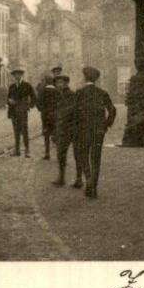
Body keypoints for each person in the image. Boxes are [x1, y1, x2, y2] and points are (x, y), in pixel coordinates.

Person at [74, 66, 117, 198]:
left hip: (83, 130)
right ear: (96, 79)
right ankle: (94, 188)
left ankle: (88, 180)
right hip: (98, 131)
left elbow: (73, 113)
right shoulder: (102, 93)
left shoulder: (79, 93)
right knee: (96, 159)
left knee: (83, 155)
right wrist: (106, 124)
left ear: (85, 77)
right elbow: (112, 110)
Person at [51, 74, 85, 188]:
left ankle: (79, 179)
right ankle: (61, 177)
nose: (58, 85)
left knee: (77, 154)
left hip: (73, 129)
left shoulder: (72, 95)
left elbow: (73, 111)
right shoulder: (56, 96)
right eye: (57, 83)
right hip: (61, 130)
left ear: (66, 83)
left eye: (60, 82)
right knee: (61, 154)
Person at [7, 68, 36, 157]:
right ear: (14, 76)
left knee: (24, 131)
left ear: (21, 75)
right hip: (14, 112)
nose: (17, 76)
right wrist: (9, 101)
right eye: (15, 75)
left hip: (23, 112)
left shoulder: (27, 85)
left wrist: (29, 106)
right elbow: (7, 98)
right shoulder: (11, 87)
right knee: (16, 131)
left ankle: (27, 150)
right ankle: (17, 150)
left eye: (19, 74)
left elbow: (34, 97)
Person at [36, 67, 62, 160]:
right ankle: (59, 154)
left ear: (46, 82)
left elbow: (38, 103)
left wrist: (42, 110)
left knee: (46, 134)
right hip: (55, 115)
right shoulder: (57, 91)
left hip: (45, 115)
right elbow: (61, 102)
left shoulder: (43, 92)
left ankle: (47, 153)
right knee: (56, 133)